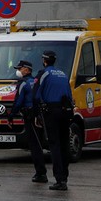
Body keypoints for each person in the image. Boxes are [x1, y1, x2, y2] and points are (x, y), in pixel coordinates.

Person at [33, 49, 74, 191]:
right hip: (65, 112)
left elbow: (36, 95)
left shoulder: (43, 74)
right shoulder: (63, 74)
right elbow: (70, 96)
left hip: (51, 112)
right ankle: (64, 178)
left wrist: (37, 114)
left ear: (44, 61)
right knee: (64, 145)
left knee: (54, 145)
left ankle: (59, 179)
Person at [7, 59, 47, 183]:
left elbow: (18, 102)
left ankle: (41, 173)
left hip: (29, 117)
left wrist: (11, 116)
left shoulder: (23, 84)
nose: (18, 71)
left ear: (27, 69)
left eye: (20, 69)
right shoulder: (36, 81)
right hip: (39, 116)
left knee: (34, 146)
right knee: (39, 144)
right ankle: (41, 172)